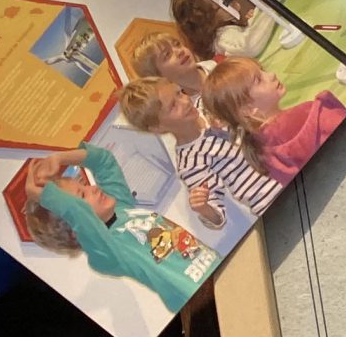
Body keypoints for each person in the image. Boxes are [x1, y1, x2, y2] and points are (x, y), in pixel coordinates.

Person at [14, 145, 209, 313]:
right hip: (198, 297)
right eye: (83, 195)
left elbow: (104, 161)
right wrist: (42, 196)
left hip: (212, 267)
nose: (92, 188)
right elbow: (76, 211)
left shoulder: (121, 207)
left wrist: (59, 158)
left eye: (84, 186)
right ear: (76, 228)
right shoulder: (106, 254)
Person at [118, 77, 279, 227]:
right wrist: (203, 208)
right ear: (158, 127)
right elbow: (217, 216)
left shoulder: (208, 109)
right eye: (173, 106)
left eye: (180, 92)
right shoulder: (191, 162)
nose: (184, 101)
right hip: (271, 197)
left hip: (283, 167)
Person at [203, 56, 346, 184]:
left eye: (263, 70)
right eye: (259, 80)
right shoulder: (311, 112)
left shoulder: (261, 154)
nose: (271, 75)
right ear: (248, 109)